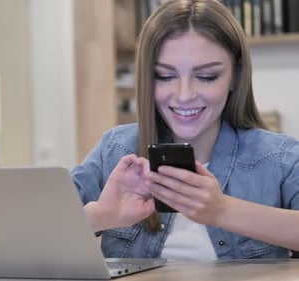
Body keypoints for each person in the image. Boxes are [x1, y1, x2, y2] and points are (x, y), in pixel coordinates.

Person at [71, 0, 299, 260]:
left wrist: (222, 210)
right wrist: (99, 216)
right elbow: (29, 231)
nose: (184, 95)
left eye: (206, 76)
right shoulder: (114, 149)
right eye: (165, 76)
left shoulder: (280, 158)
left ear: (235, 75)